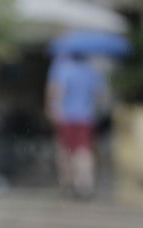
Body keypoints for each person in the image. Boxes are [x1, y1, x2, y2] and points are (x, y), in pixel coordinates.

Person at [46, 52, 109, 198]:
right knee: (84, 151)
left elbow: (57, 92)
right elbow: (102, 95)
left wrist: (52, 109)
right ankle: (85, 184)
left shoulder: (62, 69)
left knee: (65, 151)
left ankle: (67, 183)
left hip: (66, 117)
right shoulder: (92, 72)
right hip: (86, 118)